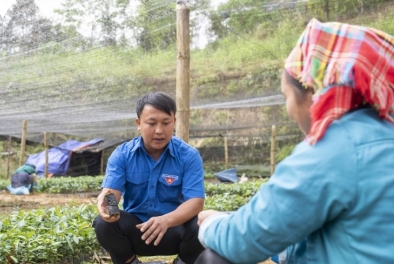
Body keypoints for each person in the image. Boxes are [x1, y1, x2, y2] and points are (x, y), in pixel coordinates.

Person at [196, 18, 394, 264]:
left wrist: (214, 223)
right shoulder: (384, 130)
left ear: (313, 91)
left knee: (213, 258)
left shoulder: (335, 148)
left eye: (286, 96)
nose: (288, 109)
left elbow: (243, 240)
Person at [93, 92, 205, 264]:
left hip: (174, 229)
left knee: (202, 225)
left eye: (166, 123)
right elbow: (111, 193)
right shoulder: (122, 154)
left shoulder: (188, 155)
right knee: (103, 224)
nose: (159, 130)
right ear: (138, 123)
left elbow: (196, 201)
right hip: (137, 231)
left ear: (174, 121)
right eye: (151, 123)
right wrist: (108, 208)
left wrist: (166, 220)